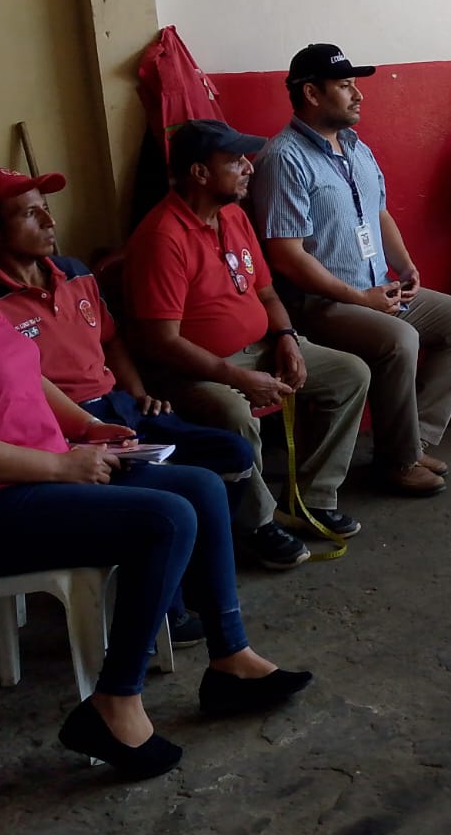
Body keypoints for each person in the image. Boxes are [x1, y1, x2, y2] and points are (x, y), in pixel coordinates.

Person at [0, 175, 312, 780]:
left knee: (199, 484)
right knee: (166, 519)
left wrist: (87, 428)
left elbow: (28, 376)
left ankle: (230, 660)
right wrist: (63, 463)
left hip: (44, 478)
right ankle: (116, 702)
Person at [0, 166, 257, 646]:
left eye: (46, 209)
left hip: (120, 408)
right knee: (172, 491)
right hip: (65, 429)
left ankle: (188, 577)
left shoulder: (75, 272)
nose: (48, 221)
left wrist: (138, 392)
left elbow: (111, 341)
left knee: (232, 454)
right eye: (28, 214)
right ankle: (168, 609)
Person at [123, 119, 372, 570]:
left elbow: (267, 294)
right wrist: (237, 378)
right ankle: (256, 524)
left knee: (350, 374)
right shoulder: (163, 237)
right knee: (235, 413)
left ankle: (309, 500)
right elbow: (162, 341)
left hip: (261, 347)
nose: (249, 168)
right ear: (200, 173)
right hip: (194, 369)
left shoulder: (233, 216)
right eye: (235, 161)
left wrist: (287, 339)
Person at [251, 43, 451, 496]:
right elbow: (286, 255)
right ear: (312, 93)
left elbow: (379, 214)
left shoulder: (357, 147)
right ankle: (397, 461)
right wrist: (360, 299)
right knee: (400, 339)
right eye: (345, 85)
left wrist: (406, 266)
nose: (358, 95)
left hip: (378, 289)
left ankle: (413, 440)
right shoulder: (284, 159)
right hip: (322, 303)